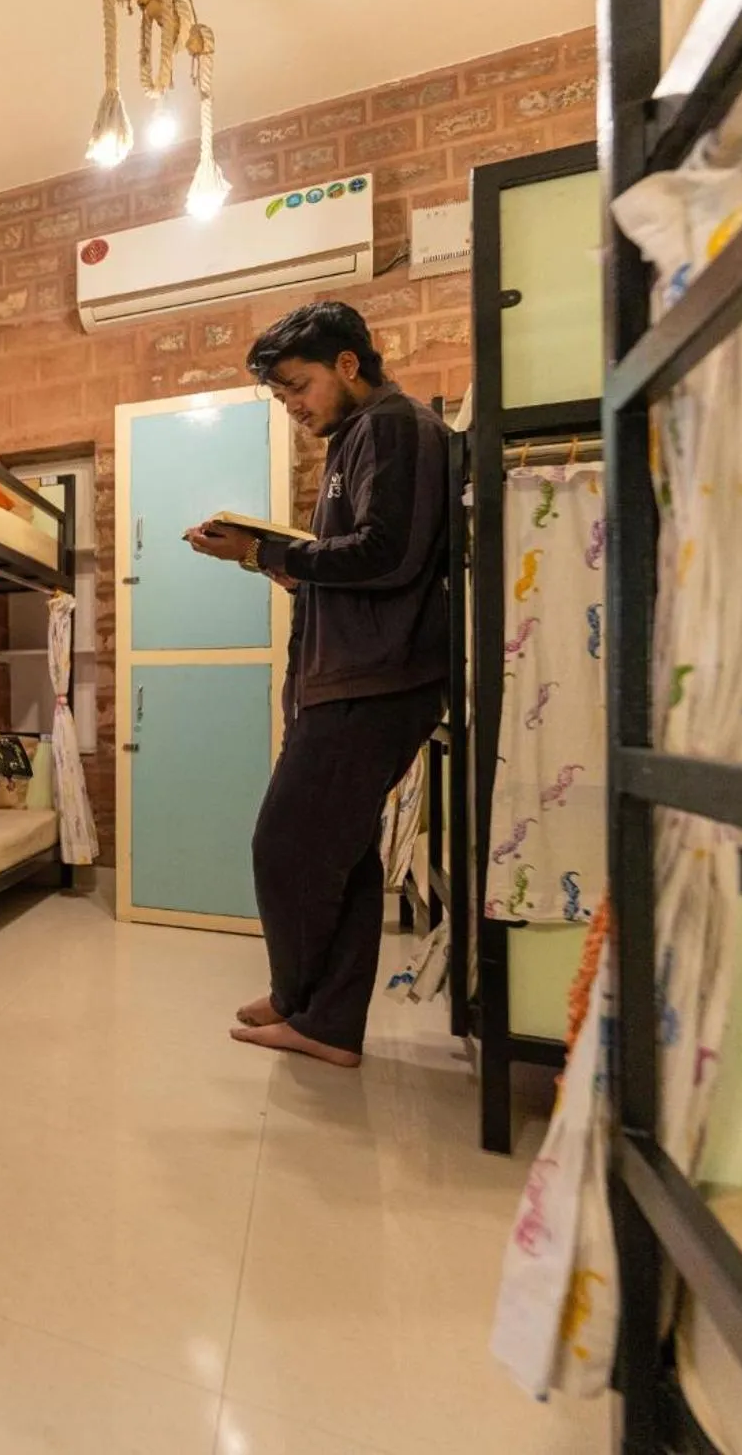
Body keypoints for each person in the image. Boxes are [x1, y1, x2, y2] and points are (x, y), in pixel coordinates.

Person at [183, 301, 451, 1069]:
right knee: (343, 853)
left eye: (298, 387)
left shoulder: (393, 428)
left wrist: (266, 556)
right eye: (281, 396)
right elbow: (356, 566)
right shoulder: (362, 438)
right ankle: (320, 1016)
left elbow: (386, 555)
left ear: (346, 365)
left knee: (288, 844)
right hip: (358, 675)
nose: (295, 407)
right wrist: (271, 558)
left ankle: (304, 997)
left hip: (374, 681)